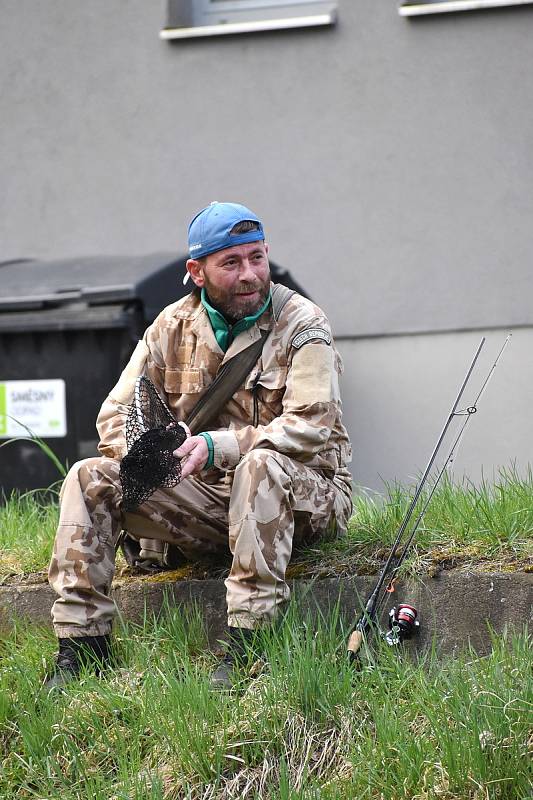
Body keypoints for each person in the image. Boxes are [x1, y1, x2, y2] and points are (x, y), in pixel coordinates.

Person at [45, 202, 353, 689]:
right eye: (231, 263)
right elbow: (113, 418)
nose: (250, 274)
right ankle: (82, 647)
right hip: (210, 503)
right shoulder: (170, 326)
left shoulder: (303, 323)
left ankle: (251, 641)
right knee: (89, 476)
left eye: (257, 257)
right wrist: (156, 448)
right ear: (197, 271)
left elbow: (312, 425)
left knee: (261, 464)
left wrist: (220, 446)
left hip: (303, 500)